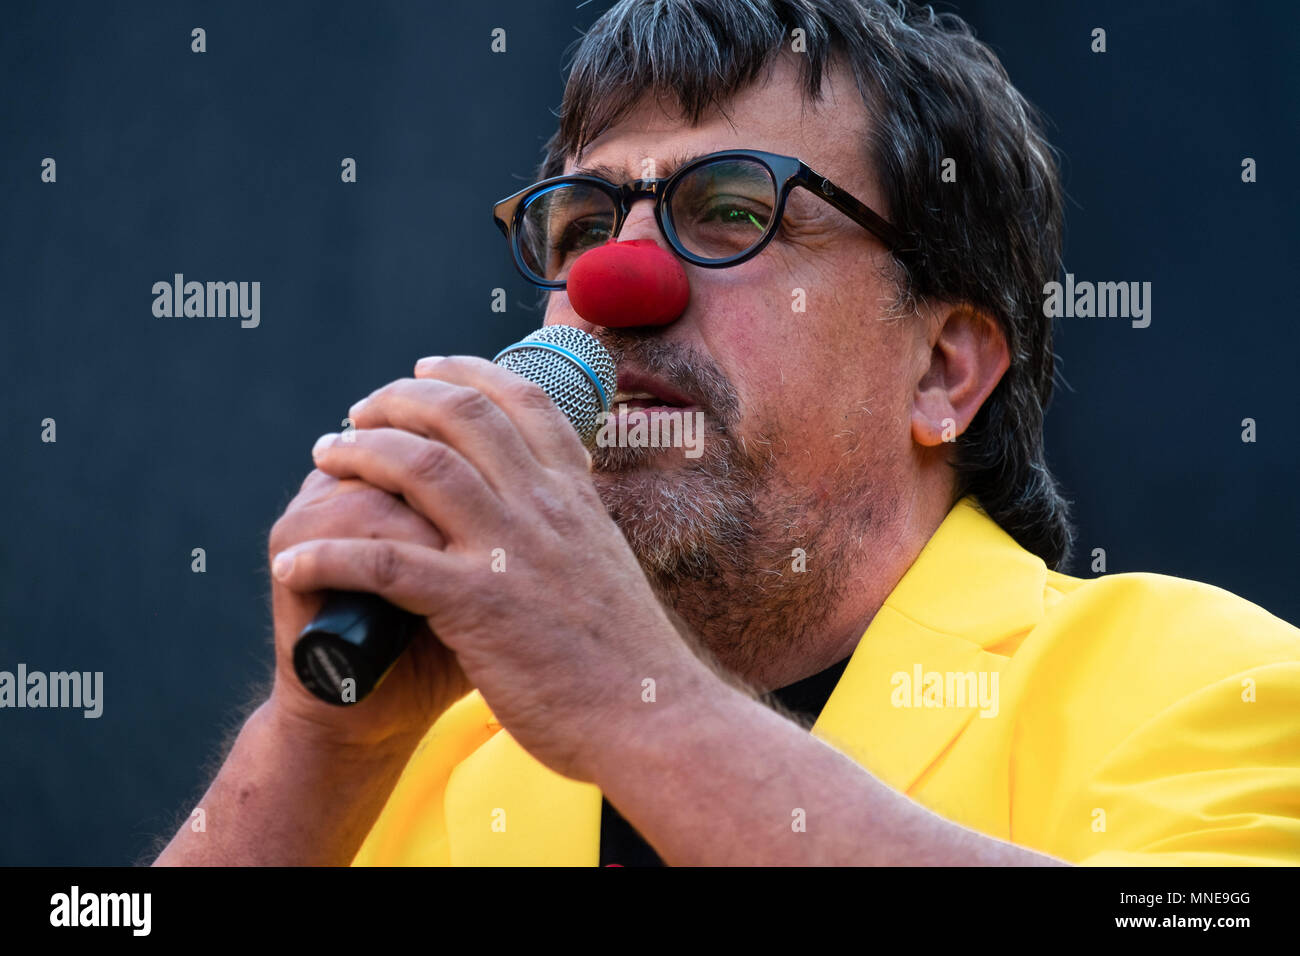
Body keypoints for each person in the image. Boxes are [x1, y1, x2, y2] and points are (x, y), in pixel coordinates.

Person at [155, 0, 1300, 866]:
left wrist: (629, 699)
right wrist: (319, 749)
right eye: (583, 221)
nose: (615, 281)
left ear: (942, 370)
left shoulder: (1210, 685)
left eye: (734, 210)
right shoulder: (433, 759)